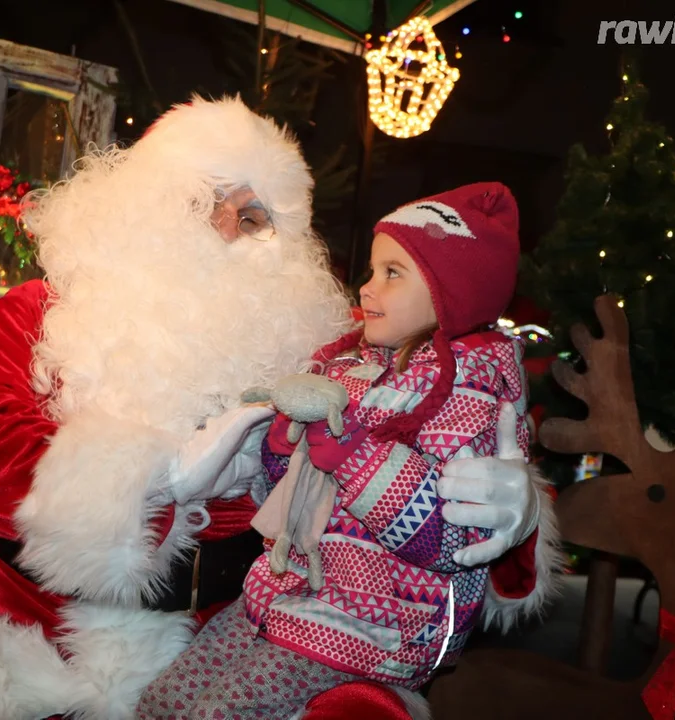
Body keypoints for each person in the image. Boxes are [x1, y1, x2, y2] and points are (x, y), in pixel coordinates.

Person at [0, 98, 556, 720]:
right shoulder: (42, 312)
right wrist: (154, 476)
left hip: (243, 637)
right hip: (19, 629)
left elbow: (438, 464)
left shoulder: (325, 356)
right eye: (204, 198)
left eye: (256, 217)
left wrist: (516, 521)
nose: (227, 226)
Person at [137, 182, 561, 719]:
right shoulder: (350, 366)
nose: (366, 289)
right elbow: (298, 493)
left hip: (377, 624)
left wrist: (350, 449)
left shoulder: (471, 394)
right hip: (287, 596)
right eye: (370, 271)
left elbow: (451, 537)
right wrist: (280, 447)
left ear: (449, 292)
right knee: (159, 701)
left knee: (213, 713)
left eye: (392, 273)